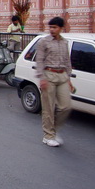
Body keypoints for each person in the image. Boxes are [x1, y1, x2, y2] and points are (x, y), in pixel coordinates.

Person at [35, 16, 75, 147]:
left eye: (55, 27)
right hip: (48, 75)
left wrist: (69, 78)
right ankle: (48, 135)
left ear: (61, 28)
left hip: (62, 75)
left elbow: (67, 61)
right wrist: (42, 78)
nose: (52, 30)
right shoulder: (44, 42)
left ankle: (54, 130)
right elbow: (39, 60)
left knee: (66, 106)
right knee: (48, 108)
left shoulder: (65, 42)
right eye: (50, 27)